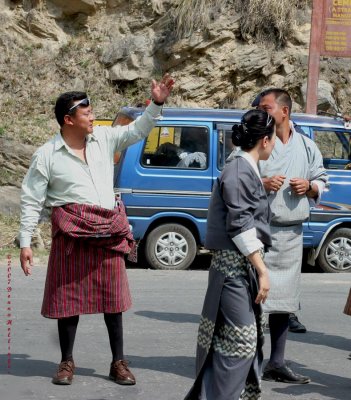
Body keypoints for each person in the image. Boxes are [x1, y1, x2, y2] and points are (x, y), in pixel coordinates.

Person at [19, 74, 174, 386]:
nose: (92, 116)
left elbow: (138, 129)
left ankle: (118, 362)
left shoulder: (105, 138)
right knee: (67, 300)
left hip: (108, 230)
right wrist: (25, 242)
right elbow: (31, 199)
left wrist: (157, 103)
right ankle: (66, 362)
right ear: (68, 119)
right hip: (71, 235)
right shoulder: (47, 154)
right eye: (86, 112)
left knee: (113, 300)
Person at [185, 109, 276, 400]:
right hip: (233, 270)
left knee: (232, 343)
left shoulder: (242, 167)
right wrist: (262, 270)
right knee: (239, 343)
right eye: (273, 139)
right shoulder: (238, 170)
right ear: (264, 140)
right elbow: (240, 226)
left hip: (238, 268)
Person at [254, 88, 328, 384]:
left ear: (284, 111)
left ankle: (277, 362)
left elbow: (323, 180)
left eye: (267, 107)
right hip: (260, 233)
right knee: (255, 300)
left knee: (284, 302)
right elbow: (233, 175)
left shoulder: (308, 146)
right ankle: (249, 361)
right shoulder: (258, 141)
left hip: (292, 234)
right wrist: (262, 182)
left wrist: (309, 186)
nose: (262, 112)